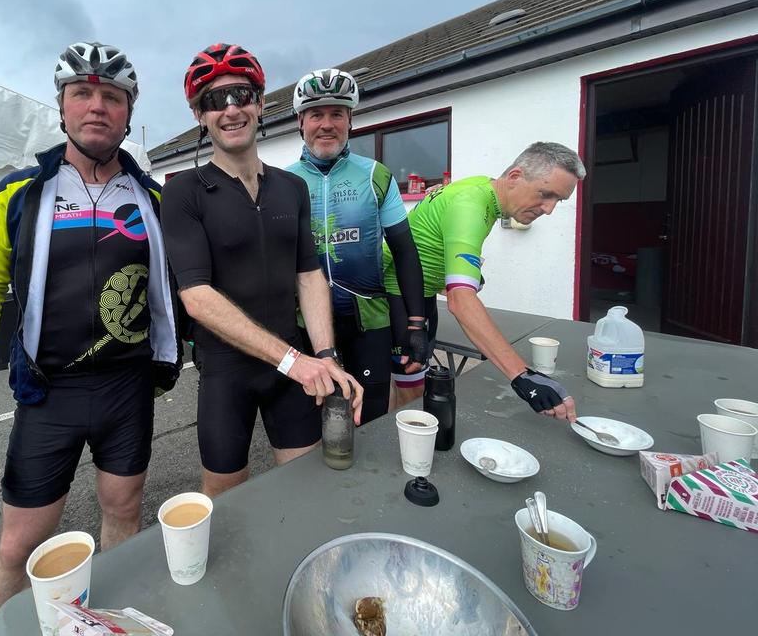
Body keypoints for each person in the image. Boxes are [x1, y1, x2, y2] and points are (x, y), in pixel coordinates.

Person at [0, 42, 181, 619]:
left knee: (123, 515)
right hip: (50, 393)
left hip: (127, 387)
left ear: (128, 111)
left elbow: (177, 286)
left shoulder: (152, 198)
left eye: (112, 97)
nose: (97, 106)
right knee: (21, 545)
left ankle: (109, 625)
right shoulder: (21, 193)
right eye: (83, 93)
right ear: (64, 107)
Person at [162, 43, 363, 499]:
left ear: (260, 103)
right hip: (227, 371)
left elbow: (309, 275)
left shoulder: (292, 188)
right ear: (200, 116)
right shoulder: (184, 193)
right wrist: (296, 362)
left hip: (294, 365)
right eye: (215, 101)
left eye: (241, 95)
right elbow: (196, 296)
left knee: (305, 487)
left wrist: (326, 355)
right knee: (226, 499)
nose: (230, 109)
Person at [385, 141, 583, 421]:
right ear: (514, 177)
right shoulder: (471, 204)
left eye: (558, 200)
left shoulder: (482, 188)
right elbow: (460, 301)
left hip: (420, 293)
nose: (549, 209)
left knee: (413, 387)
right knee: (411, 392)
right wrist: (522, 375)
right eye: (545, 194)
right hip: (394, 294)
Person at [285, 68, 430, 425]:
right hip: (306, 321)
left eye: (337, 113)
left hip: (369, 318)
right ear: (300, 122)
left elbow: (404, 251)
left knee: (373, 417)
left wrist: (416, 322)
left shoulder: (375, 175)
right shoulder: (283, 182)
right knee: (311, 419)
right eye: (316, 114)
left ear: (351, 120)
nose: (327, 124)